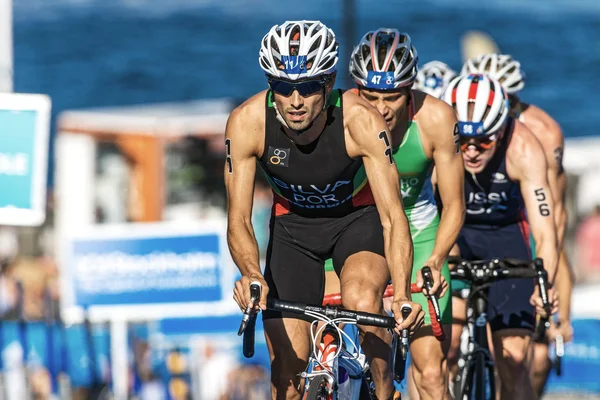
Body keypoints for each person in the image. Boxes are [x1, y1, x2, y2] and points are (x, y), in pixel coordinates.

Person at [226, 20, 427, 400]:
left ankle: (385, 391)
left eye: (307, 87)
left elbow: (392, 217)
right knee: (288, 365)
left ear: (329, 82)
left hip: (356, 220)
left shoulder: (361, 121)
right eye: (283, 88)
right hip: (293, 231)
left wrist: (400, 293)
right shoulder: (247, 123)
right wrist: (251, 273)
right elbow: (238, 218)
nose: (295, 100)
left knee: (363, 302)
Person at [346, 28, 465, 400]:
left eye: (392, 97)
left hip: (419, 232)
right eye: (370, 97)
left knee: (431, 374)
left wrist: (437, 257)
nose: (380, 108)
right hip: (360, 230)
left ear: (410, 90)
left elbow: (455, 205)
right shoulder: (343, 115)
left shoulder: (436, 119)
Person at [462, 53, 574, 398]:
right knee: (444, 349)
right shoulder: (454, 125)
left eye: (508, 100)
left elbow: (551, 219)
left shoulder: (538, 135)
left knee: (524, 357)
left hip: (517, 227)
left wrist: (548, 285)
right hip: (462, 229)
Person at [442, 73, 559, 400]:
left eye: (485, 142)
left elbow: (545, 231)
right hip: (454, 236)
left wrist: (544, 285)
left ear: (502, 130)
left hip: (506, 240)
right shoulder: (440, 137)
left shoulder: (523, 148)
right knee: (444, 346)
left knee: (515, 357)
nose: (472, 151)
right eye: (463, 141)